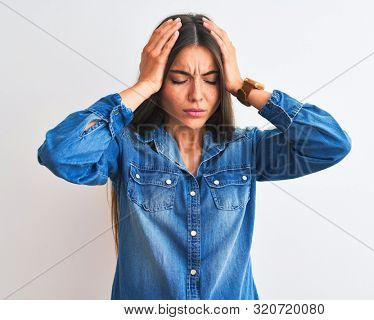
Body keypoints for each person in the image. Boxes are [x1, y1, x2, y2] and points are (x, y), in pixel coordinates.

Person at [37, 13, 352, 300]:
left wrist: (244, 87)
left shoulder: (246, 148)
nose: (197, 94)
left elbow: (331, 143)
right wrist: (143, 85)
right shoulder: (127, 147)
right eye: (179, 79)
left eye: (212, 80)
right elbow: (60, 154)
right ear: (161, 81)